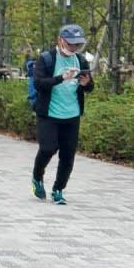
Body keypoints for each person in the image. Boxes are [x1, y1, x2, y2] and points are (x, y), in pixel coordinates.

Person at [31, 24, 95, 206]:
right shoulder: (46, 59)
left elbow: (90, 87)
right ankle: (37, 177)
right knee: (48, 148)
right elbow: (39, 83)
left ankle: (58, 190)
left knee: (68, 155)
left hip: (72, 114)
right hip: (49, 114)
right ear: (60, 40)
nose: (74, 48)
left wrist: (85, 84)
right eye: (71, 44)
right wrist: (62, 78)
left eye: (78, 45)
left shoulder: (81, 61)